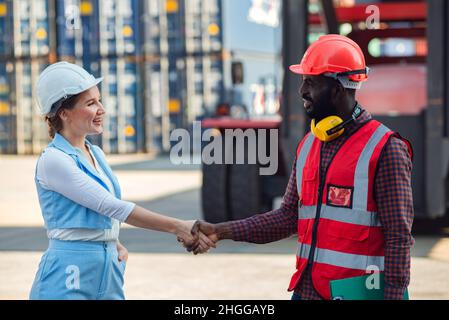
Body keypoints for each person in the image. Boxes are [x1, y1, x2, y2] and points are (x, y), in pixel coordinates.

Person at [191, 35, 414, 300]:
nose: (302, 91)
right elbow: (288, 217)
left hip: (357, 294)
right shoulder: (309, 144)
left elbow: (398, 236)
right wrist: (221, 230)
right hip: (307, 291)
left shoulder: (385, 149)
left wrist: (394, 295)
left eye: (312, 82)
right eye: (303, 81)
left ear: (337, 89)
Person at [30, 61, 213, 300]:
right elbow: (110, 206)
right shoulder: (54, 160)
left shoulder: (95, 153)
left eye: (99, 100)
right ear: (63, 113)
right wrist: (177, 226)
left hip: (107, 268)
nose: (101, 109)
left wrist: (111, 240)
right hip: (68, 273)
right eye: (90, 103)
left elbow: (102, 212)